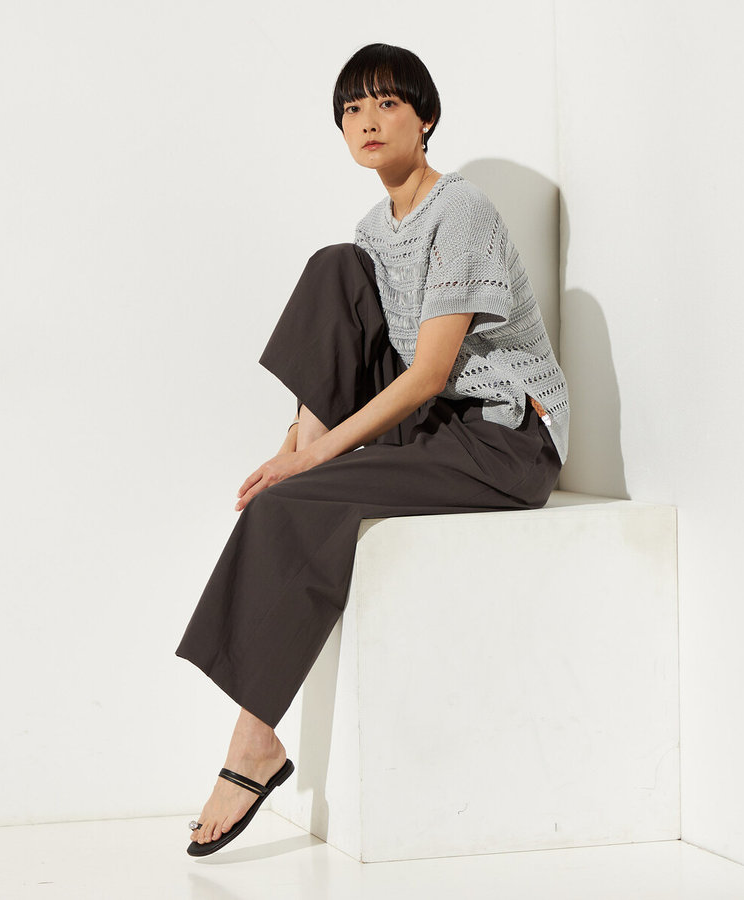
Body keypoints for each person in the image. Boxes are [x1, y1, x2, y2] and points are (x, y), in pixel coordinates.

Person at [176, 42, 570, 856]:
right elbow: (365, 345)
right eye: (352, 108)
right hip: (439, 428)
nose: (368, 121)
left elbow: (429, 373)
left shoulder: (461, 209)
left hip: (505, 438)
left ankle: (253, 743)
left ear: (426, 119)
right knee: (335, 267)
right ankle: (310, 444)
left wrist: (311, 463)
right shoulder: (370, 230)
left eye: (388, 103)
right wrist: (296, 442)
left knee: (297, 498)